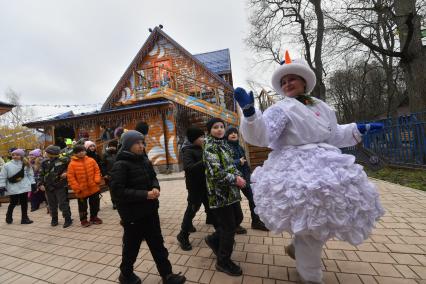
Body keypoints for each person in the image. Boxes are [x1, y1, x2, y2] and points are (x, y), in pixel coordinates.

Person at [234, 51, 385, 284]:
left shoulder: (322, 106)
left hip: (326, 166)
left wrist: (359, 128)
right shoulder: (281, 109)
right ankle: (311, 277)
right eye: (283, 81)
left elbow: (333, 135)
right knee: (310, 230)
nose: (287, 84)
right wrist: (251, 114)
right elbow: (263, 135)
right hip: (296, 171)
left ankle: (298, 247)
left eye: (291, 79)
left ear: (304, 81)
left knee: (318, 223)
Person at [110, 130, 186, 284]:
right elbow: (118, 192)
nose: (141, 146)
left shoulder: (144, 160)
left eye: (142, 142)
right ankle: (125, 275)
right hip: (132, 216)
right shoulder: (120, 164)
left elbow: (153, 178)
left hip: (150, 212)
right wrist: (145, 194)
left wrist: (155, 187)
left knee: (158, 244)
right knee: (131, 248)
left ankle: (167, 275)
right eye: (137, 143)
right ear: (127, 145)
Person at [203, 118, 246, 277]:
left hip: (231, 193)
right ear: (209, 131)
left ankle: (214, 239)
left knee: (238, 218)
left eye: (222, 127)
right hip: (220, 195)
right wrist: (235, 179)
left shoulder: (224, 144)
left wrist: (239, 176)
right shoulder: (210, 147)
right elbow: (215, 173)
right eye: (215, 127)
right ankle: (223, 261)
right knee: (229, 228)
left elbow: (231, 166)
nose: (220, 129)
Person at [176, 127, 214, 251]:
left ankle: (217, 230)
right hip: (195, 187)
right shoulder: (188, 151)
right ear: (194, 139)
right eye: (201, 137)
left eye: (204, 136)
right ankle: (183, 235)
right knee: (192, 209)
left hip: (205, 185)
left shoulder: (202, 148)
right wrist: (204, 161)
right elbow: (189, 167)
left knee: (211, 207)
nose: (204, 139)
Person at [225, 127, 268, 232]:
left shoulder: (240, 147)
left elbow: (245, 162)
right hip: (234, 179)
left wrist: (249, 175)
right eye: (231, 133)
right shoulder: (225, 148)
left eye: (235, 133)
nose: (234, 134)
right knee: (235, 203)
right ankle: (236, 225)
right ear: (227, 135)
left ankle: (256, 221)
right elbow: (226, 164)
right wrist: (238, 162)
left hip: (244, 178)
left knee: (253, 199)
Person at [67, 145, 102, 227]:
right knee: (82, 206)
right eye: (79, 152)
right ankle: (84, 220)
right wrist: (76, 188)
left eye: (83, 151)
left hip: (93, 187)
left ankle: (94, 217)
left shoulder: (91, 160)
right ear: (75, 153)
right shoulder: (72, 164)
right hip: (81, 190)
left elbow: (97, 170)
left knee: (95, 204)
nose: (81, 153)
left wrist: (97, 180)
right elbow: (71, 178)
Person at [39, 145, 73, 228]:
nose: (45, 153)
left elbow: (71, 168)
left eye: (47, 152)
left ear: (51, 153)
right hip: (48, 186)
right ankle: (54, 218)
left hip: (60, 185)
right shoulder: (44, 162)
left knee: (62, 203)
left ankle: (67, 219)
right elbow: (41, 174)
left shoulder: (64, 160)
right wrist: (40, 184)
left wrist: (66, 173)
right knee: (52, 204)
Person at [0, 149, 34, 224]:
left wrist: (33, 183)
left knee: (24, 203)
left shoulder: (26, 164)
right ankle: (8, 216)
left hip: (24, 186)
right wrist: (2, 186)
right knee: (13, 202)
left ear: (21, 156)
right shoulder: (7, 165)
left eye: (17, 155)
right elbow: (2, 176)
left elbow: (30, 174)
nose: (15, 156)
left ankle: (24, 218)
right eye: (13, 155)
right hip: (13, 187)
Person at [103, 140, 118, 209]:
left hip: (118, 174)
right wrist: (105, 174)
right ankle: (114, 202)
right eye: (111, 146)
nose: (112, 147)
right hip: (109, 175)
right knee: (112, 189)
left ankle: (120, 201)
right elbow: (103, 165)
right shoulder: (105, 154)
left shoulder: (119, 153)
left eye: (114, 146)